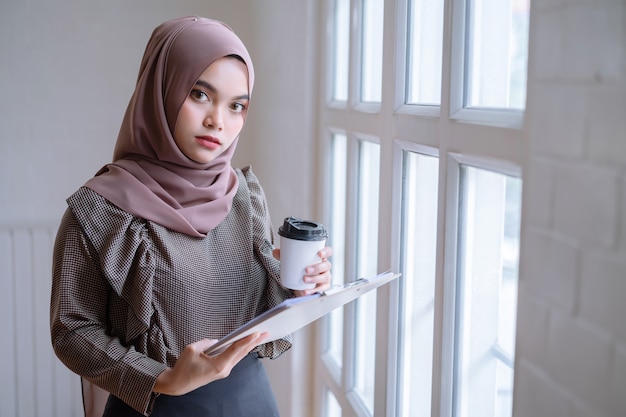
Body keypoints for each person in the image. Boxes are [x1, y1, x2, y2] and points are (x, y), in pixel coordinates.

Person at [50, 16, 332, 417]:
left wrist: (300, 290)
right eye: (200, 94)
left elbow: (257, 314)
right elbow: (72, 330)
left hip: (251, 402)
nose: (219, 121)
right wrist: (163, 379)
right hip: (157, 407)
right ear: (161, 89)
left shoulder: (244, 196)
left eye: (237, 106)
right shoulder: (100, 210)